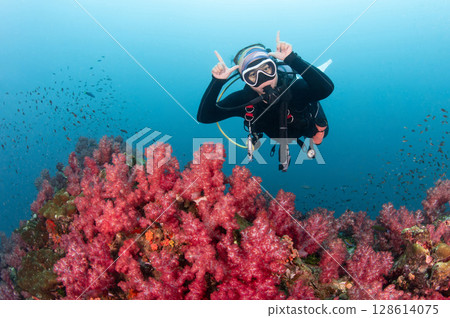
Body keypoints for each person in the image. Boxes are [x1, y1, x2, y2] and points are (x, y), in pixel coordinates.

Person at [197, 32, 334, 171]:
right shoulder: (244, 100)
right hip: (279, 135)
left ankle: (319, 128)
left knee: (319, 135)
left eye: (266, 69)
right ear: (245, 80)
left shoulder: (295, 89)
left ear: (274, 67)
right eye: (252, 75)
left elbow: (326, 89)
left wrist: (293, 59)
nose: (263, 79)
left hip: (306, 126)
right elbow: (205, 116)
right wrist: (217, 82)